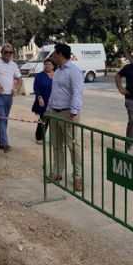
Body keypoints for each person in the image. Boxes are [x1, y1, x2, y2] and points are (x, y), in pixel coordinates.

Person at [46, 43, 84, 192]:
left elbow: (77, 92)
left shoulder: (74, 71)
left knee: (73, 146)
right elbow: (54, 92)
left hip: (68, 113)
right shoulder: (59, 71)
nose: (53, 55)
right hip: (55, 112)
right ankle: (57, 172)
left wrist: (74, 113)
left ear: (60, 54)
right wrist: (48, 110)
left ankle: (78, 177)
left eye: (54, 53)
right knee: (56, 145)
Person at [31, 58, 55, 144]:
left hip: (55, 102)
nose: (47, 66)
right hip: (43, 102)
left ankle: (54, 139)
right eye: (46, 64)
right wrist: (39, 97)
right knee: (43, 121)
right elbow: (36, 87)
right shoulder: (40, 75)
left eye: (49, 64)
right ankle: (39, 137)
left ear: (53, 66)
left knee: (55, 122)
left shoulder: (57, 75)